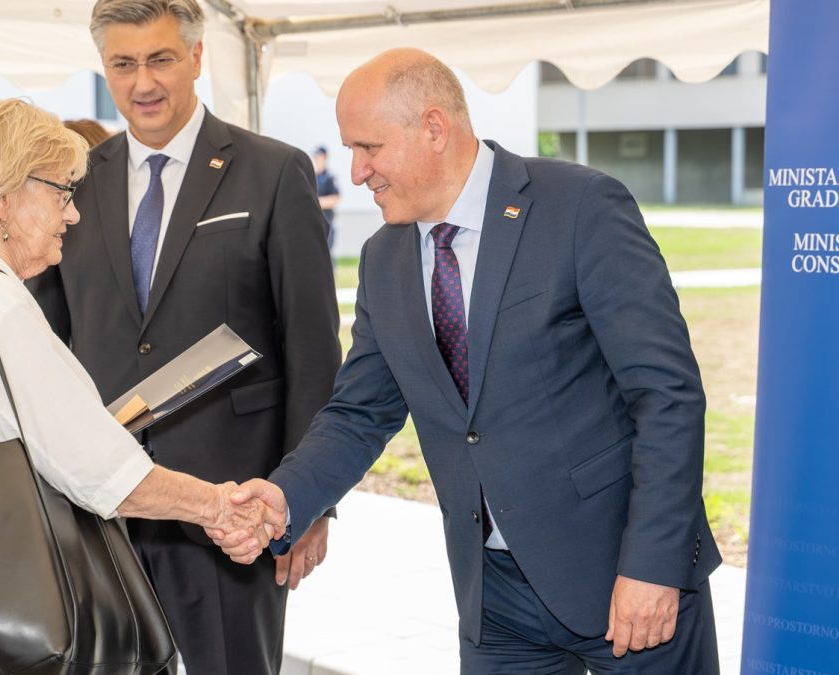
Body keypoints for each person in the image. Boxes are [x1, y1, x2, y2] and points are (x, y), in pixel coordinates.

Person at [218, 48, 723, 674]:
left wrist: (653, 564)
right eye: (350, 149)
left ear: (434, 127)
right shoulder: (383, 259)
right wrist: (287, 496)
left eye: (369, 148)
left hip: (624, 576)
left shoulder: (579, 207)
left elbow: (667, 395)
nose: (355, 172)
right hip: (494, 599)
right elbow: (359, 413)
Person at [0, 98, 281, 675]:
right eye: (61, 192)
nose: (72, 215)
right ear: (0, 199)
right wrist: (219, 505)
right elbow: (101, 472)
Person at [27, 1, 340, 673]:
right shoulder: (75, 179)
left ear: (198, 57)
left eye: (161, 58)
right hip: (103, 506)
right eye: (123, 63)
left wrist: (310, 499)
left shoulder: (272, 170)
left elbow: (313, 348)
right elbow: (46, 344)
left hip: (232, 512)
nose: (143, 82)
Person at [312, 146, 340, 250]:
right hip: (315, 223)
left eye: (318, 156)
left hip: (326, 222)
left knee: (327, 254)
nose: (315, 159)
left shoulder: (329, 177)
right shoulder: (314, 176)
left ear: (324, 157)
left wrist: (316, 202)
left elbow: (336, 198)